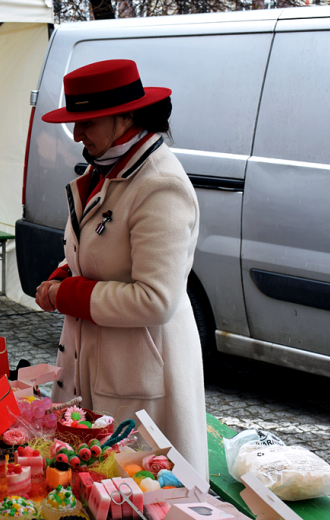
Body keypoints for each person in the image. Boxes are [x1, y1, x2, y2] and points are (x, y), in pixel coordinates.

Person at [35, 59, 208, 478]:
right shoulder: (106, 169)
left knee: (142, 487)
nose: (76, 135)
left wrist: (67, 294)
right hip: (97, 355)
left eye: (87, 122)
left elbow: (157, 299)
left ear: (126, 115)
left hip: (141, 363)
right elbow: (93, 248)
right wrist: (63, 272)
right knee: (96, 484)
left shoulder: (159, 184)